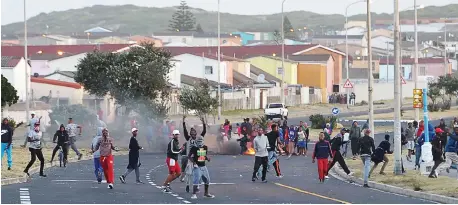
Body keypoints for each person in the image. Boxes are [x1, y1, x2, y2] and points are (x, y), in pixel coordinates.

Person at [181, 116, 206, 184]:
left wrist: (203, 122)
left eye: (193, 131)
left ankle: (200, 180)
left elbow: (204, 131)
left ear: (195, 133)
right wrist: (183, 122)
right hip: (190, 156)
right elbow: (185, 131)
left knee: (200, 168)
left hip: (198, 156)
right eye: (191, 132)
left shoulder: (199, 138)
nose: (192, 132)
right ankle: (186, 182)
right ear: (190, 133)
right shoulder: (188, 138)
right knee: (189, 170)